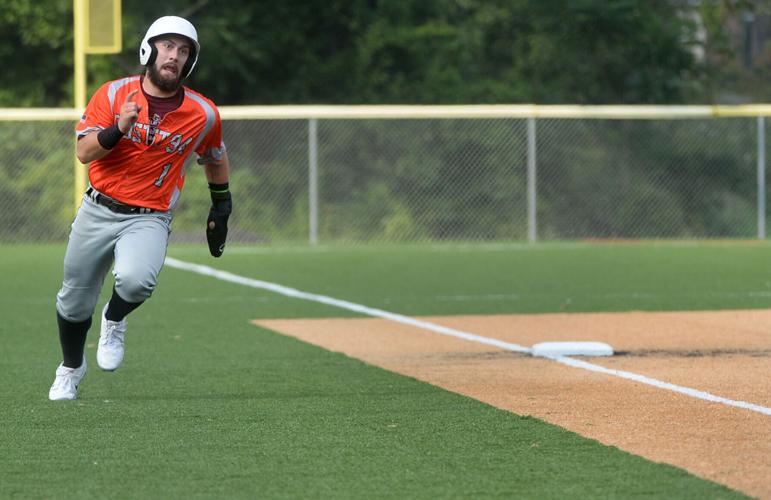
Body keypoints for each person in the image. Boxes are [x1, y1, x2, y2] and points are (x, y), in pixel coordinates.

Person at [48, 16, 232, 400]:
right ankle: (70, 367)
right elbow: (83, 152)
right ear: (149, 49)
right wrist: (118, 129)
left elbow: (215, 157)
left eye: (184, 51)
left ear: (191, 61)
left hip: (150, 215)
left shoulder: (204, 113)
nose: (174, 56)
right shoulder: (114, 93)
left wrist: (221, 206)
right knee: (73, 301)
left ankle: (114, 320)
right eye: (167, 46)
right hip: (98, 208)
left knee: (136, 280)